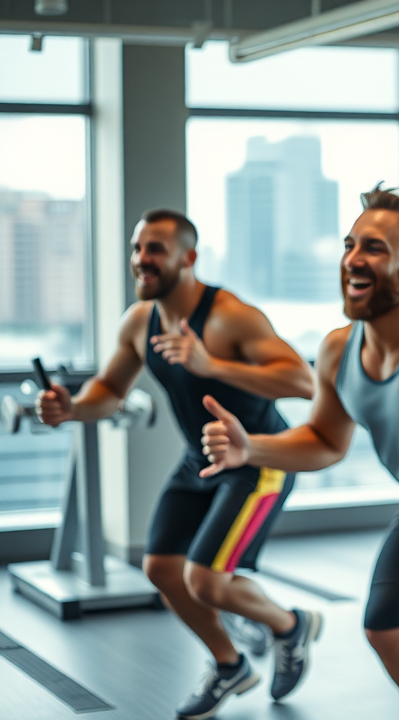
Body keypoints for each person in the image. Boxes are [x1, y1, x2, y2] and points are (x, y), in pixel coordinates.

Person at [200, 186, 399, 719]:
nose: (353, 259)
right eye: (350, 245)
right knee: (384, 626)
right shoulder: (338, 348)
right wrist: (251, 448)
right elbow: (325, 441)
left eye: (374, 248)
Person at [35, 209, 318, 720]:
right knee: (162, 569)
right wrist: (71, 408)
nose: (141, 259)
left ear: (189, 258)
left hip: (259, 459)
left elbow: (302, 382)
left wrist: (213, 365)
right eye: (137, 248)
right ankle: (229, 665)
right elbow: (109, 388)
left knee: (206, 581)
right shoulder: (139, 321)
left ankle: (289, 625)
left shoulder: (230, 317)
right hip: (199, 459)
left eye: (155, 249)